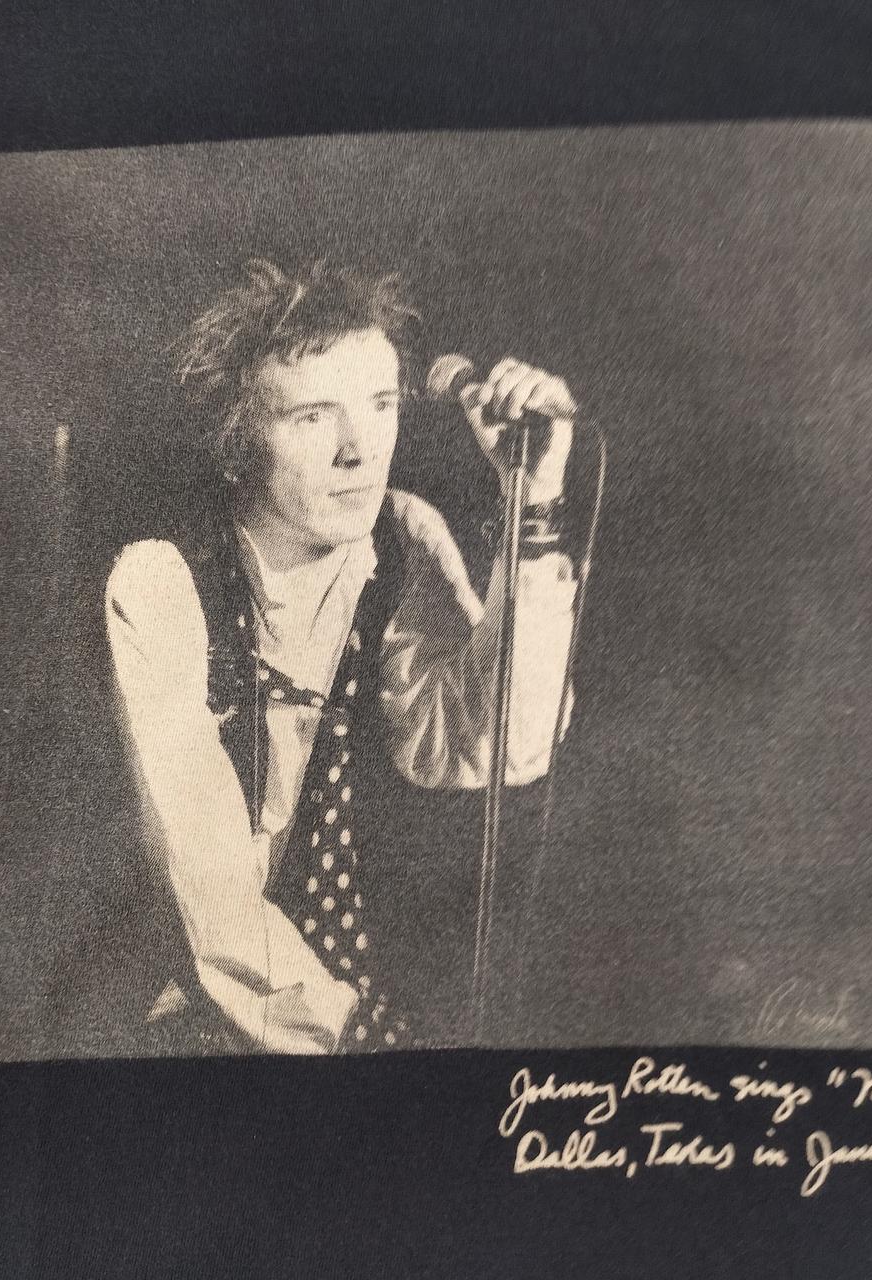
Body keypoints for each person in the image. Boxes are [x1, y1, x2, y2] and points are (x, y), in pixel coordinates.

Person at [105, 258, 578, 1054]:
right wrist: (365, 1045)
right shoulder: (160, 581)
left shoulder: (402, 538)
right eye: (313, 417)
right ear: (239, 443)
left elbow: (494, 745)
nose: (359, 450)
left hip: (355, 1008)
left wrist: (533, 497)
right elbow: (213, 903)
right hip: (176, 1015)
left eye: (382, 405)